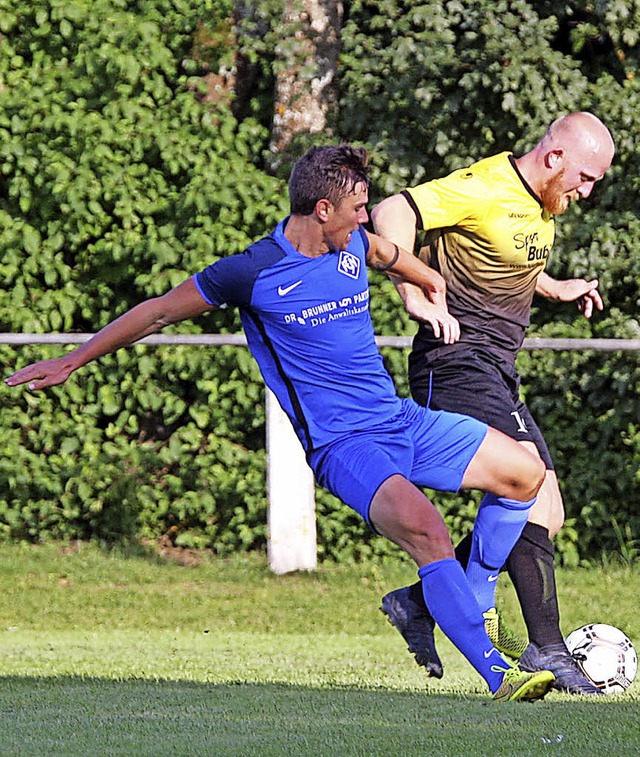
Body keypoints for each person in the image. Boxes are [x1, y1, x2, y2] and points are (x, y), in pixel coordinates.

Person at [7, 144, 555, 701]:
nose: (365, 217)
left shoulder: (354, 244)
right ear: (322, 209)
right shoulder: (252, 271)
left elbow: (390, 254)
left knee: (524, 473)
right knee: (429, 532)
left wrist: (426, 288)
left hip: (400, 421)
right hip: (344, 447)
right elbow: (157, 312)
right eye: (358, 207)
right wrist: (72, 359)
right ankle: (499, 675)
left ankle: (475, 601)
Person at [371, 112, 615, 696]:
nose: (585, 192)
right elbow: (391, 213)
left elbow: (512, 261)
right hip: (453, 364)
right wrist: (412, 288)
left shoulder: (539, 206)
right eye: (583, 177)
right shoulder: (485, 185)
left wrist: (557, 287)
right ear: (553, 157)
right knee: (527, 490)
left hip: (495, 373)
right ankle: (547, 648)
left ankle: (421, 602)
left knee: (547, 511)